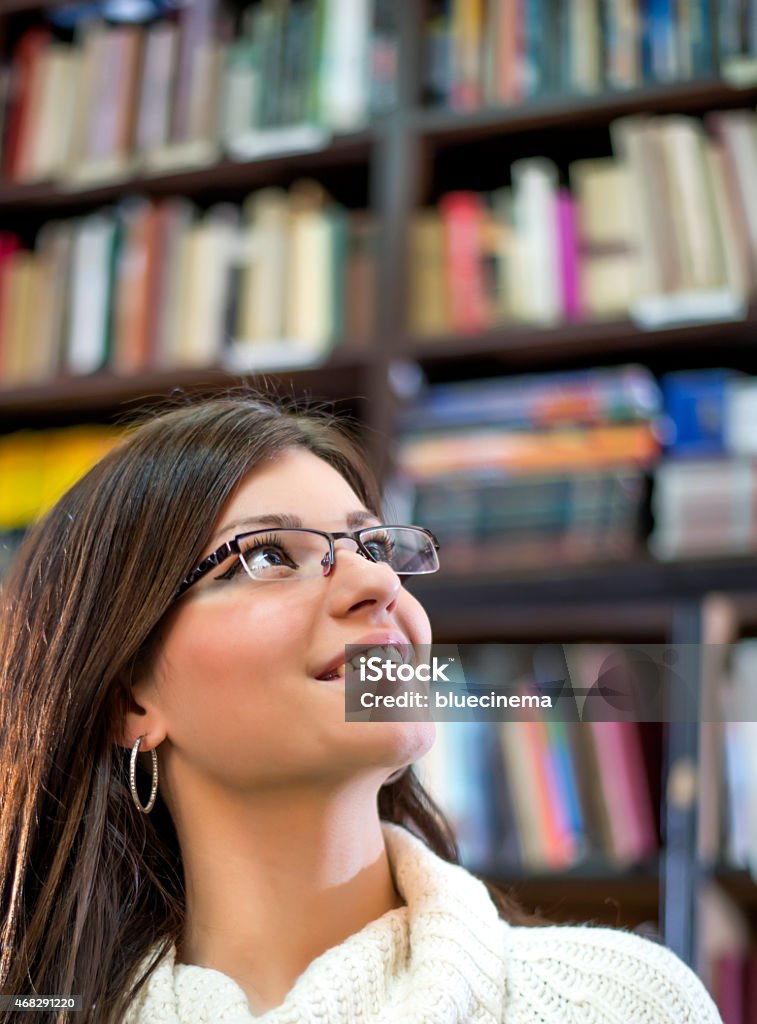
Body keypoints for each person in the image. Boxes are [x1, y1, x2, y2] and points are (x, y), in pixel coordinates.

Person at [0, 393, 723, 1024]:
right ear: (131, 699)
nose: (376, 581)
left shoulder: (623, 1005)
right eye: (266, 557)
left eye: (372, 544)